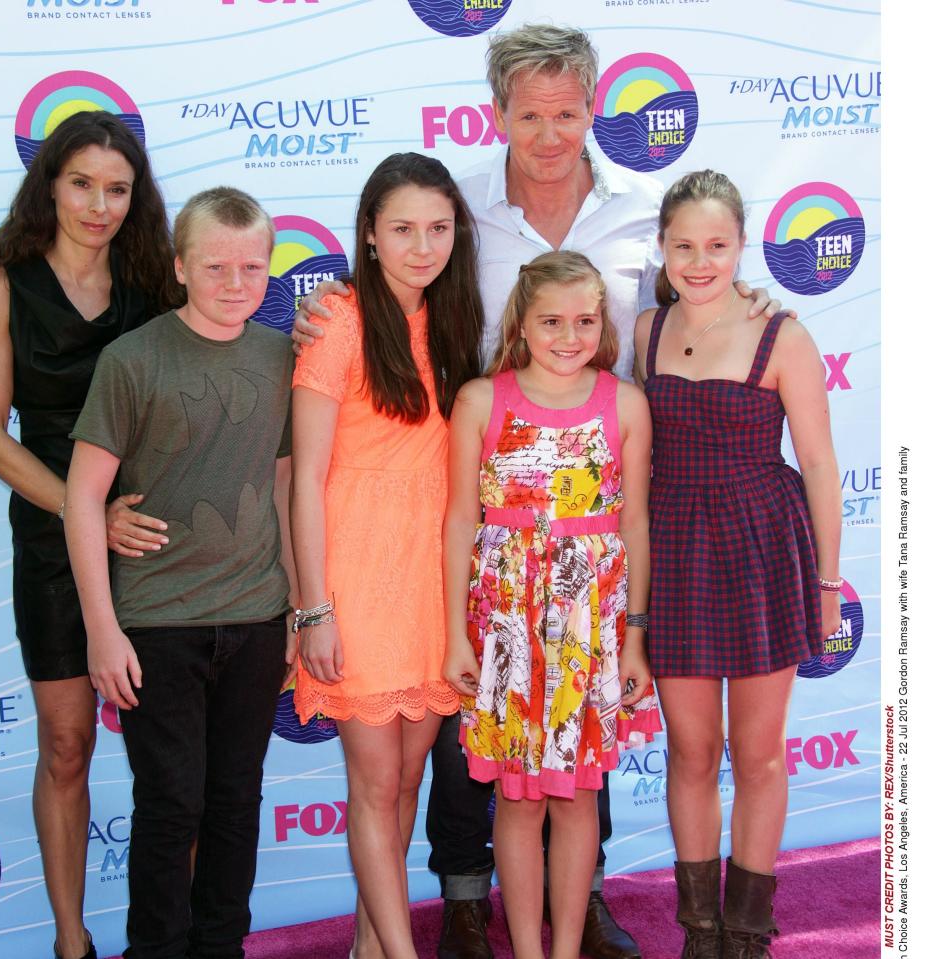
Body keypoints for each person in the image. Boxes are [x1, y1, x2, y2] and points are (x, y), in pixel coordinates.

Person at [293, 24, 784, 959]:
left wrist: (748, 299)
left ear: (594, 109)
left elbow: (696, 292)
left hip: (600, 518)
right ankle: (467, 900)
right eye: (530, 114)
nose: (550, 132)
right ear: (499, 116)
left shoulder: (646, 212)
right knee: (461, 737)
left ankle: (582, 904)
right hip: (473, 516)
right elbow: (400, 288)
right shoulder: (461, 207)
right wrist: (331, 302)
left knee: (573, 749)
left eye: (567, 112)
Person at [63, 187, 297, 959]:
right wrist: (103, 630)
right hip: (158, 624)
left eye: (253, 268)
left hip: (257, 618)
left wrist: (298, 603)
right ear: (179, 267)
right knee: (171, 806)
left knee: (236, 801)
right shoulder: (133, 360)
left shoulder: (282, 357)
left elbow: (289, 485)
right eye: (217, 267)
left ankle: (222, 946)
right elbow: (83, 498)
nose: (237, 284)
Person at [0, 110, 180, 959]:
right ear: (49, 184)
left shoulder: (153, 282)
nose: (100, 204)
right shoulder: (0, 285)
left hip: (154, 532)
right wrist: (84, 510)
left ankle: (172, 937)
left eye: (118, 189)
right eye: (82, 184)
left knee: (175, 762)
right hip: (55, 532)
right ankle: (70, 942)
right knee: (67, 743)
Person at [632, 170, 841, 959]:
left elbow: (820, 465)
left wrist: (827, 582)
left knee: (757, 753)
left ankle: (748, 934)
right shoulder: (644, 330)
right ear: (661, 246)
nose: (699, 259)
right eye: (683, 244)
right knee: (691, 751)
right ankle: (701, 930)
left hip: (760, 551)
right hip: (677, 550)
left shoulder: (782, 332)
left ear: (742, 247)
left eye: (717, 245)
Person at [290, 152, 484, 959]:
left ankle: (372, 946)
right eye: (402, 228)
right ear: (369, 234)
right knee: (374, 785)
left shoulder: (453, 320)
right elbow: (303, 479)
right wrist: (314, 608)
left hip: (429, 585)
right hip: (357, 582)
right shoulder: (336, 319)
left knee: (406, 781)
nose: (422, 245)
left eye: (438, 228)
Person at [442, 252, 661, 959]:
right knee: (518, 797)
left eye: (586, 321)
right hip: (506, 629)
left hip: (589, 632)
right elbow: (457, 523)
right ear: (522, 322)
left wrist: (632, 638)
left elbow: (633, 528)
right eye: (552, 321)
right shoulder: (482, 400)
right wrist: (456, 636)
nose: (570, 336)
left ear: (604, 324)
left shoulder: (624, 403)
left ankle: (566, 948)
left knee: (575, 797)